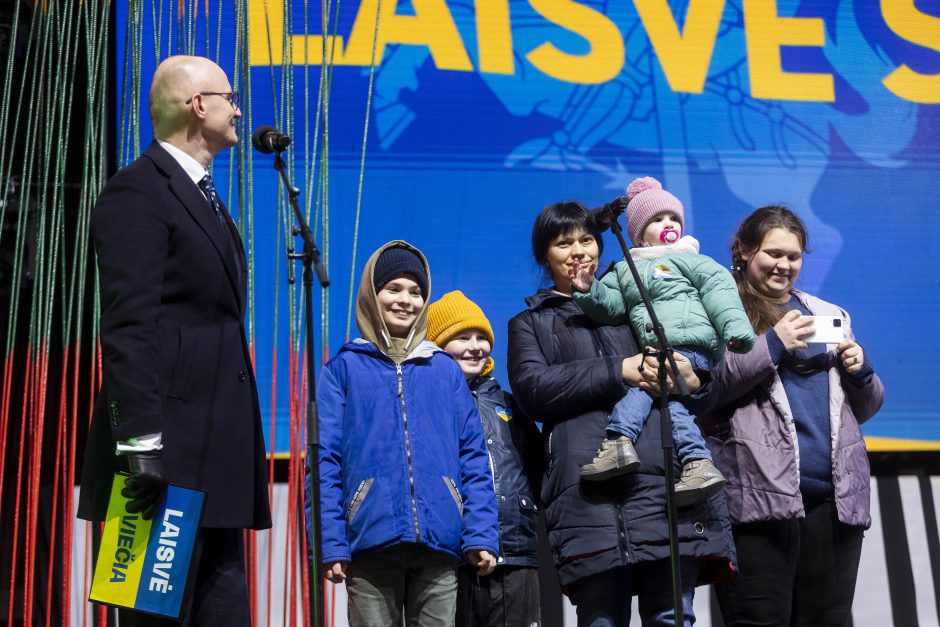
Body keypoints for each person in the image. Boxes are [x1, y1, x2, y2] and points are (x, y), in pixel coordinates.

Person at [77, 56, 271, 625]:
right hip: (160, 462)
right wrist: (140, 446)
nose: (238, 108)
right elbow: (127, 328)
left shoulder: (206, 196)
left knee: (223, 609)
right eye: (228, 96)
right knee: (154, 615)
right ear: (197, 105)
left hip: (215, 456)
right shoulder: (136, 193)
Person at [507, 201, 736, 626]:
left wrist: (694, 378)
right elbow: (533, 392)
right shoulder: (530, 323)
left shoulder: (640, 300)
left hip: (663, 485)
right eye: (563, 243)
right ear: (545, 256)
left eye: (587, 240)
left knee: (671, 616)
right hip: (586, 494)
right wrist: (619, 370)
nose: (578, 251)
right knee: (601, 620)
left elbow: (706, 393)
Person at [700, 205, 884, 627]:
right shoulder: (718, 308)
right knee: (759, 619)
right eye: (774, 253)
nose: (785, 265)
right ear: (744, 250)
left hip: (832, 500)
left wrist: (862, 371)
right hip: (758, 500)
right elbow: (709, 388)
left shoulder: (826, 313)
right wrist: (775, 343)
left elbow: (866, 408)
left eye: (794, 256)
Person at [316, 241, 500, 626]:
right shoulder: (342, 370)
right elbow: (325, 462)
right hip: (369, 545)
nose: (406, 300)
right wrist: (330, 541)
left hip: (439, 549)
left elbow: (473, 457)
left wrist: (480, 533)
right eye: (394, 289)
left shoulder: (444, 371)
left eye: (416, 292)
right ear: (372, 294)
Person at [570, 176, 754, 506]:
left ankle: (618, 441)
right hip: (662, 348)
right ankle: (698, 463)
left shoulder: (690, 258)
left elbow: (720, 293)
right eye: (657, 219)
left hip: (690, 344)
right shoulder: (626, 268)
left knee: (641, 385)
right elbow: (611, 306)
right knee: (675, 407)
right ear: (639, 232)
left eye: (672, 218)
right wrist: (589, 289)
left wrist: (734, 330)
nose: (668, 224)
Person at [426, 290, 543, 627]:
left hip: (516, 549)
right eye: (462, 337)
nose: (475, 346)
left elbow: (533, 465)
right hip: (455, 555)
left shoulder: (509, 402)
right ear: (437, 345)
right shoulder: (431, 403)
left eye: (481, 337)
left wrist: (524, 506)